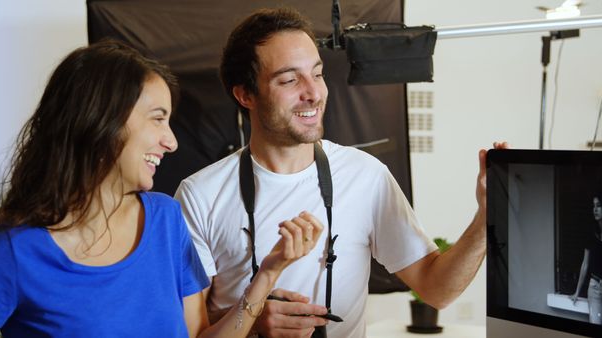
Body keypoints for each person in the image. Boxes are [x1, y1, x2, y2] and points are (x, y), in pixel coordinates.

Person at [175, 7, 507, 338]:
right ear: (245, 94)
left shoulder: (366, 176)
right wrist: (253, 320)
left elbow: (437, 290)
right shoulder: (199, 195)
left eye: (317, 74)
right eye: (290, 79)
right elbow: (192, 333)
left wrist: (485, 219)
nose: (313, 92)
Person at [0, 39, 323, 338]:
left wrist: (269, 272)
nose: (170, 141)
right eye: (158, 118)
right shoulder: (14, 251)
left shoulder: (164, 218)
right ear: (101, 120)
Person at [571, 196, 602, 328]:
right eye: (593, 206)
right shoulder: (591, 233)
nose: (595, 209)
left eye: (598, 205)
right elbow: (585, 264)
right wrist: (577, 292)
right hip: (595, 289)